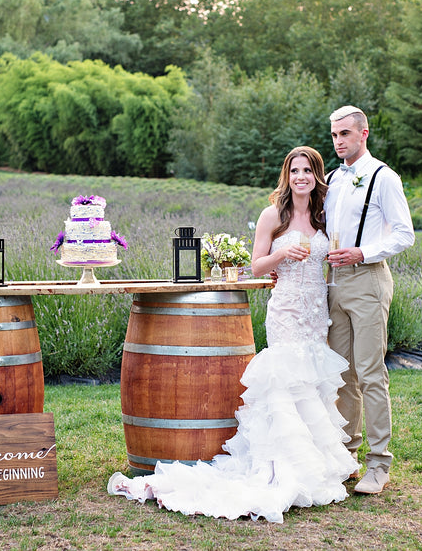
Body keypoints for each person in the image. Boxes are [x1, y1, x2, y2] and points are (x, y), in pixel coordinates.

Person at [108, 146, 358, 522]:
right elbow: (257, 265)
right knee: (286, 380)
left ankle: (320, 460)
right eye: (295, 171)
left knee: (313, 380)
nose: (301, 177)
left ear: (317, 175)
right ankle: (286, 465)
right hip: (287, 308)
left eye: (308, 170)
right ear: (287, 176)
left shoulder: (325, 216)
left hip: (315, 309)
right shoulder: (273, 214)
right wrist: (282, 256)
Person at [324, 105, 415, 495]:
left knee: (369, 371)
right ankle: (347, 457)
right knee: (340, 374)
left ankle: (379, 465)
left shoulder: (384, 177)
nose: (338, 141)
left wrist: (364, 252)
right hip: (332, 283)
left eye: (345, 133)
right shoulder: (330, 178)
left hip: (367, 280)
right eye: (333, 135)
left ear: (363, 134)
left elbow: (405, 234)